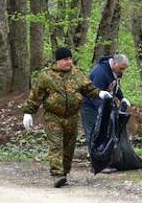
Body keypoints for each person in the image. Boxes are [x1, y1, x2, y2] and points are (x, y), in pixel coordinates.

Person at [22, 47, 111, 188]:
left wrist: (101, 94)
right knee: (56, 144)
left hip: (72, 116)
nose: (68, 62)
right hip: (53, 116)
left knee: (69, 147)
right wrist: (28, 112)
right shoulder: (46, 76)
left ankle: (64, 172)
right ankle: (57, 175)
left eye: (70, 59)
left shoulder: (77, 74)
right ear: (57, 61)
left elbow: (89, 89)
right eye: (65, 59)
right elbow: (36, 95)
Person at [81, 54, 131, 152]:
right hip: (90, 107)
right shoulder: (101, 73)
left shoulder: (115, 71)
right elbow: (93, 95)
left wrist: (122, 98)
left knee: (106, 133)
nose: (122, 71)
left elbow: (115, 86)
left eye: (124, 69)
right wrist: (104, 110)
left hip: (103, 105)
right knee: (93, 134)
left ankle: (106, 158)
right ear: (114, 63)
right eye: (121, 68)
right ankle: (96, 163)